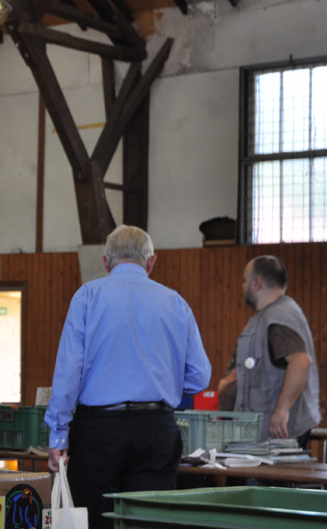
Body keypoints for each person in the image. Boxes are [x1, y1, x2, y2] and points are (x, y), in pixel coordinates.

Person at [44, 225, 211, 529]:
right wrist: (164, 382)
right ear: (151, 262)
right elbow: (200, 377)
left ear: (106, 262)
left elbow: (69, 373)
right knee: (149, 522)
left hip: (98, 431)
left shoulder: (87, 296)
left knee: (96, 521)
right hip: (156, 429)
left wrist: (58, 434)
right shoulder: (176, 303)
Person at [223, 256, 320, 445]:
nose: (243, 286)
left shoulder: (277, 316)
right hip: (267, 434)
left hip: (278, 436)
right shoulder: (275, 315)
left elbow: (301, 361)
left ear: (257, 283)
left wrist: (282, 410)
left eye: (245, 280)